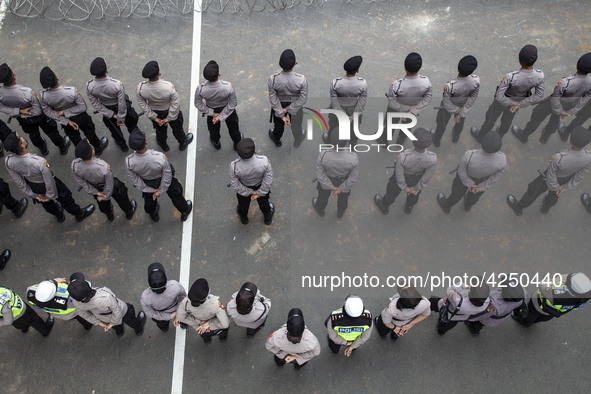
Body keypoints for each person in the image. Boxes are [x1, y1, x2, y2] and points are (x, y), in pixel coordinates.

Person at [4, 131, 95, 222]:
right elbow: (49, 180)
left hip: (33, 185)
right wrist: (49, 195)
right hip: (47, 184)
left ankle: (59, 215)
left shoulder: (9, 161)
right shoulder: (39, 162)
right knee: (66, 199)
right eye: (20, 138)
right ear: (22, 146)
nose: (22, 138)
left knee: (46, 204)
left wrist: (34, 194)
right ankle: (79, 214)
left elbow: (19, 181)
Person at [506, 126, 591, 215]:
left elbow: (551, 174)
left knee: (533, 191)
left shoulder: (559, 157)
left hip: (549, 179)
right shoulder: (588, 156)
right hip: (566, 179)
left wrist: (555, 187)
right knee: (554, 196)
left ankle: (519, 207)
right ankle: (545, 207)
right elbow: (581, 174)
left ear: (570, 140)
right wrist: (565, 187)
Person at [512, 53, 591, 144]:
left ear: (577, 65)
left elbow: (555, 98)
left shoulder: (565, 82)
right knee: (554, 121)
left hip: (553, 103)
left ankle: (524, 135)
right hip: (567, 106)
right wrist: (569, 112)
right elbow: (584, 100)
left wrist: (558, 110)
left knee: (537, 116)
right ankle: (544, 137)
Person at [471, 45, 544, 141]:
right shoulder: (539, 75)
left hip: (504, 100)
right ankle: (500, 135)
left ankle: (481, 136)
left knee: (491, 118)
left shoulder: (511, 77)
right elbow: (539, 95)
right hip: (519, 99)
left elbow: (499, 96)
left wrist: (512, 102)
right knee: (507, 119)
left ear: (520, 60)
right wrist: (520, 104)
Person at [0, 63, 71, 156]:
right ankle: (63, 147)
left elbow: (1, 107)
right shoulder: (26, 92)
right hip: (39, 117)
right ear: (13, 75)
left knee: (33, 134)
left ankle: (43, 149)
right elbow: (37, 111)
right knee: (51, 132)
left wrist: (18, 112)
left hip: (22, 119)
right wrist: (21, 112)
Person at [37, 66, 109, 155]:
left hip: (64, 119)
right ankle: (98, 147)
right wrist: (66, 113)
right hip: (80, 116)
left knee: (74, 137)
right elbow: (82, 107)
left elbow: (48, 112)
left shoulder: (43, 96)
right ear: (57, 78)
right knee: (89, 131)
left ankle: (84, 153)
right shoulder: (71, 91)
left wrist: (65, 120)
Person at [125, 128, 192, 222]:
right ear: (146, 142)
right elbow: (167, 175)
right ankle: (184, 211)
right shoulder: (159, 157)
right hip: (163, 180)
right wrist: (160, 191)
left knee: (149, 201)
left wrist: (151, 190)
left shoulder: (129, 161)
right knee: (176, 194)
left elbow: (135, 180)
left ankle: (153, 214)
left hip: (147, 183)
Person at [437, 131, 506, 213]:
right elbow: (497, 175)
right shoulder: (502, 159)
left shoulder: (470, 155)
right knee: (474, 196)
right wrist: (481, 187)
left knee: (457, 194)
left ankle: (447, 205)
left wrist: (470, 184)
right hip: (482, 181)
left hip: (466, 178)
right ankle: (468, 205)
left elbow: (461, 171)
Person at [374, 128, 437, 215]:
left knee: (391, 193)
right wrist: (417, 188)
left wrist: (404, 187)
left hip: (403, 177)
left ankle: (384, 206)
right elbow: (427, 176)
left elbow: (399, 175)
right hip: (417, 179)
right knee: (414, 195)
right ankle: (409, 207)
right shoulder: (433, 158)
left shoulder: (403, 157)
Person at [71, 139, 137, 221]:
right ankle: (129, 211)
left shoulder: (74, 165)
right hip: (108, 186)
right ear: (92, 151)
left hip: (94, 187)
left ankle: (110, 215)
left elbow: (81, 181)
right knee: (121, 196)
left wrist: (95, 192)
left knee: (102, 204)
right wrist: (105, 196)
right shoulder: (102, 166)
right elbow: (110, 184)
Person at [136, 60, 193, 152]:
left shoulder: (141, 88)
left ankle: (163, 145)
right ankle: (182, 143)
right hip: (169, 111)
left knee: (160, 131)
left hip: (155, 112)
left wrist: (154, 117)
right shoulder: (169, 87)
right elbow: (175, 103)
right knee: (177, 129)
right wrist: (170, 118)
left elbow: (143, 105)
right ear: (159, 73)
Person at [67, 272, 146, 337]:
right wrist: (114, 322)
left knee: (116, 326)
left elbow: (85, 315)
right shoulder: (105, 297)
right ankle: (138, 329)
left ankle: (120, 331)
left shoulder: (77, 303)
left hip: (105, 319)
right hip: (123, 312)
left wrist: (100, 323)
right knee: (130, 318)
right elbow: (117, 309)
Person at [86, 57, 140, 152]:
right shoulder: (116, 84)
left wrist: (111, 115)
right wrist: (121, 117)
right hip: (121, 108)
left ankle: (123, 146)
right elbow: (121, 102)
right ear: (106, 70)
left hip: (106, 109)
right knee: (131, 125)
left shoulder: (89, 86)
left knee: (114, 130)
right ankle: (138, 143)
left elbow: (96, 104)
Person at [384, 52, 432, 145]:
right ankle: (401, 139)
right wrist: (413, 110)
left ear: (405, 68)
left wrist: (405, 109)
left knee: (390, 124)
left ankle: (385, 140)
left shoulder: (397, 84)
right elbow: (427, 99)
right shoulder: (426, 82)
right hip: (413, 108)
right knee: (407, 126)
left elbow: (392, 103)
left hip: (396, 108)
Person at [194, 60, 243, 150]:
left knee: (213, 129)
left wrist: (211, 113)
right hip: (227, 109)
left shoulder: (201, 89)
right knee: (233, 127)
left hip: (212, 110)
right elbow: (233, 103)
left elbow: (198, 104)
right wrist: (221, 116)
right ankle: (237, 143)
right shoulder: (228, 87)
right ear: (218, 74)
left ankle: (216, 143)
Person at [432, 55, 480, 147]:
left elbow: (446, 103)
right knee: (460, 120)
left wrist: (457, 110)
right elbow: (473, 96)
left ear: (458, 69)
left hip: (451, 106)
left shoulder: (450, 85)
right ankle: (456, 136)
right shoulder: (476, 80)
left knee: (442, 123)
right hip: (464, 103)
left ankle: (437, 139)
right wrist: (463, 111)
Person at [513, 273, 591, 327]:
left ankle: (525, 322)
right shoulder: (585, 297)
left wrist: (565, 279)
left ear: (571, 288)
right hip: (552, 313)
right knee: (541, 318)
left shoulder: (556, 296)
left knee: (530, 315)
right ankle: (534, 321)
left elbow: (542, 285)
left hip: (538, 305)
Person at [312, 131, 359, 218]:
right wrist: (341, 188)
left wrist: (330, 187)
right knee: (343, 199)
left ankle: (320, 209)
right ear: (347, 140)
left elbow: (320, 173)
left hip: (327, 180)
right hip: (343, 181)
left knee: (322, 197)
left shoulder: (323, 155)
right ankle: (340, 212)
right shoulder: (353, 157)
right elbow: (353, 178)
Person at [268, 49, 308, 148]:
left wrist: (281, 113)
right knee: (296, 125)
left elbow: (273, 98)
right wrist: (288, 109)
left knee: (278, 125)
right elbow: (302, 99)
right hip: (295, 105)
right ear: (295, 63)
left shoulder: (273, 79)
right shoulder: (302, 80)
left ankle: (277, 139)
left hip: (279, 104)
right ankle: (297, 140)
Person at [229, 138, 274, 225]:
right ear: (254, 151)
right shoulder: (263, 161)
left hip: (244, 188)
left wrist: (250, 192)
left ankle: (244, 219)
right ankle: (267, 218)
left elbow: (235, 184)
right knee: (264, 203)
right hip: (260, 186)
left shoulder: (234, 166)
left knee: (243, 205)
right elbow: (268, 179)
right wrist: (259, 193)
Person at [323, 56, 367, 145]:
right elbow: (362, 101)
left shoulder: (336, 83)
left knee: (334, 125)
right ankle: (353, 142)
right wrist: (353, 116)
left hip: (338, 108)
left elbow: (334, 101)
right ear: (357, 70)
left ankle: (330, 140)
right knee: (354, 127)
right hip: (353, 108)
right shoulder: (362, 84)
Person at [174, 278, 229, 343]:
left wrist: (199, 323)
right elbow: (225, 324)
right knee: (222, 333)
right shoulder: (215, 304)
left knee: (204, 336)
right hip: (217, 327)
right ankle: (222, 339)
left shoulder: (185, 302)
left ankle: (207, 341)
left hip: (200, 328)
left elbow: (180, 318)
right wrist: (209, 324)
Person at [26, 278, 93, 330]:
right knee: (82, 318)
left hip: (57, 314)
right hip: (72, 313)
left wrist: (54, 281)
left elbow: (44, 286)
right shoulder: (66, 300)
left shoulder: (30, 292)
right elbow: (79, 303)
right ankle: (88, 325)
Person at [140, 262, 186, 332]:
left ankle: (164, 329)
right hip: (177, 308)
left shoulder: (145, 297)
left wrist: (169, 316)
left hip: (161, 316)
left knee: (162, 325)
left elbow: (151, 313)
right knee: (183, 318)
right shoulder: (175, 285)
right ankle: (183, 324)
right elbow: (183, 298)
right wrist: (177, 313)